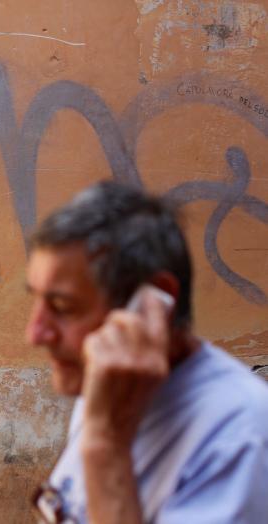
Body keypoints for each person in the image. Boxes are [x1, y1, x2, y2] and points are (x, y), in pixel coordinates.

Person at [25, 181, 268, 523]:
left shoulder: (239, 438)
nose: (35, 333)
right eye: (35, 299)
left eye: (63, 306)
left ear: (153, 301)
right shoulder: (111, 383)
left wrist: (106, 447)